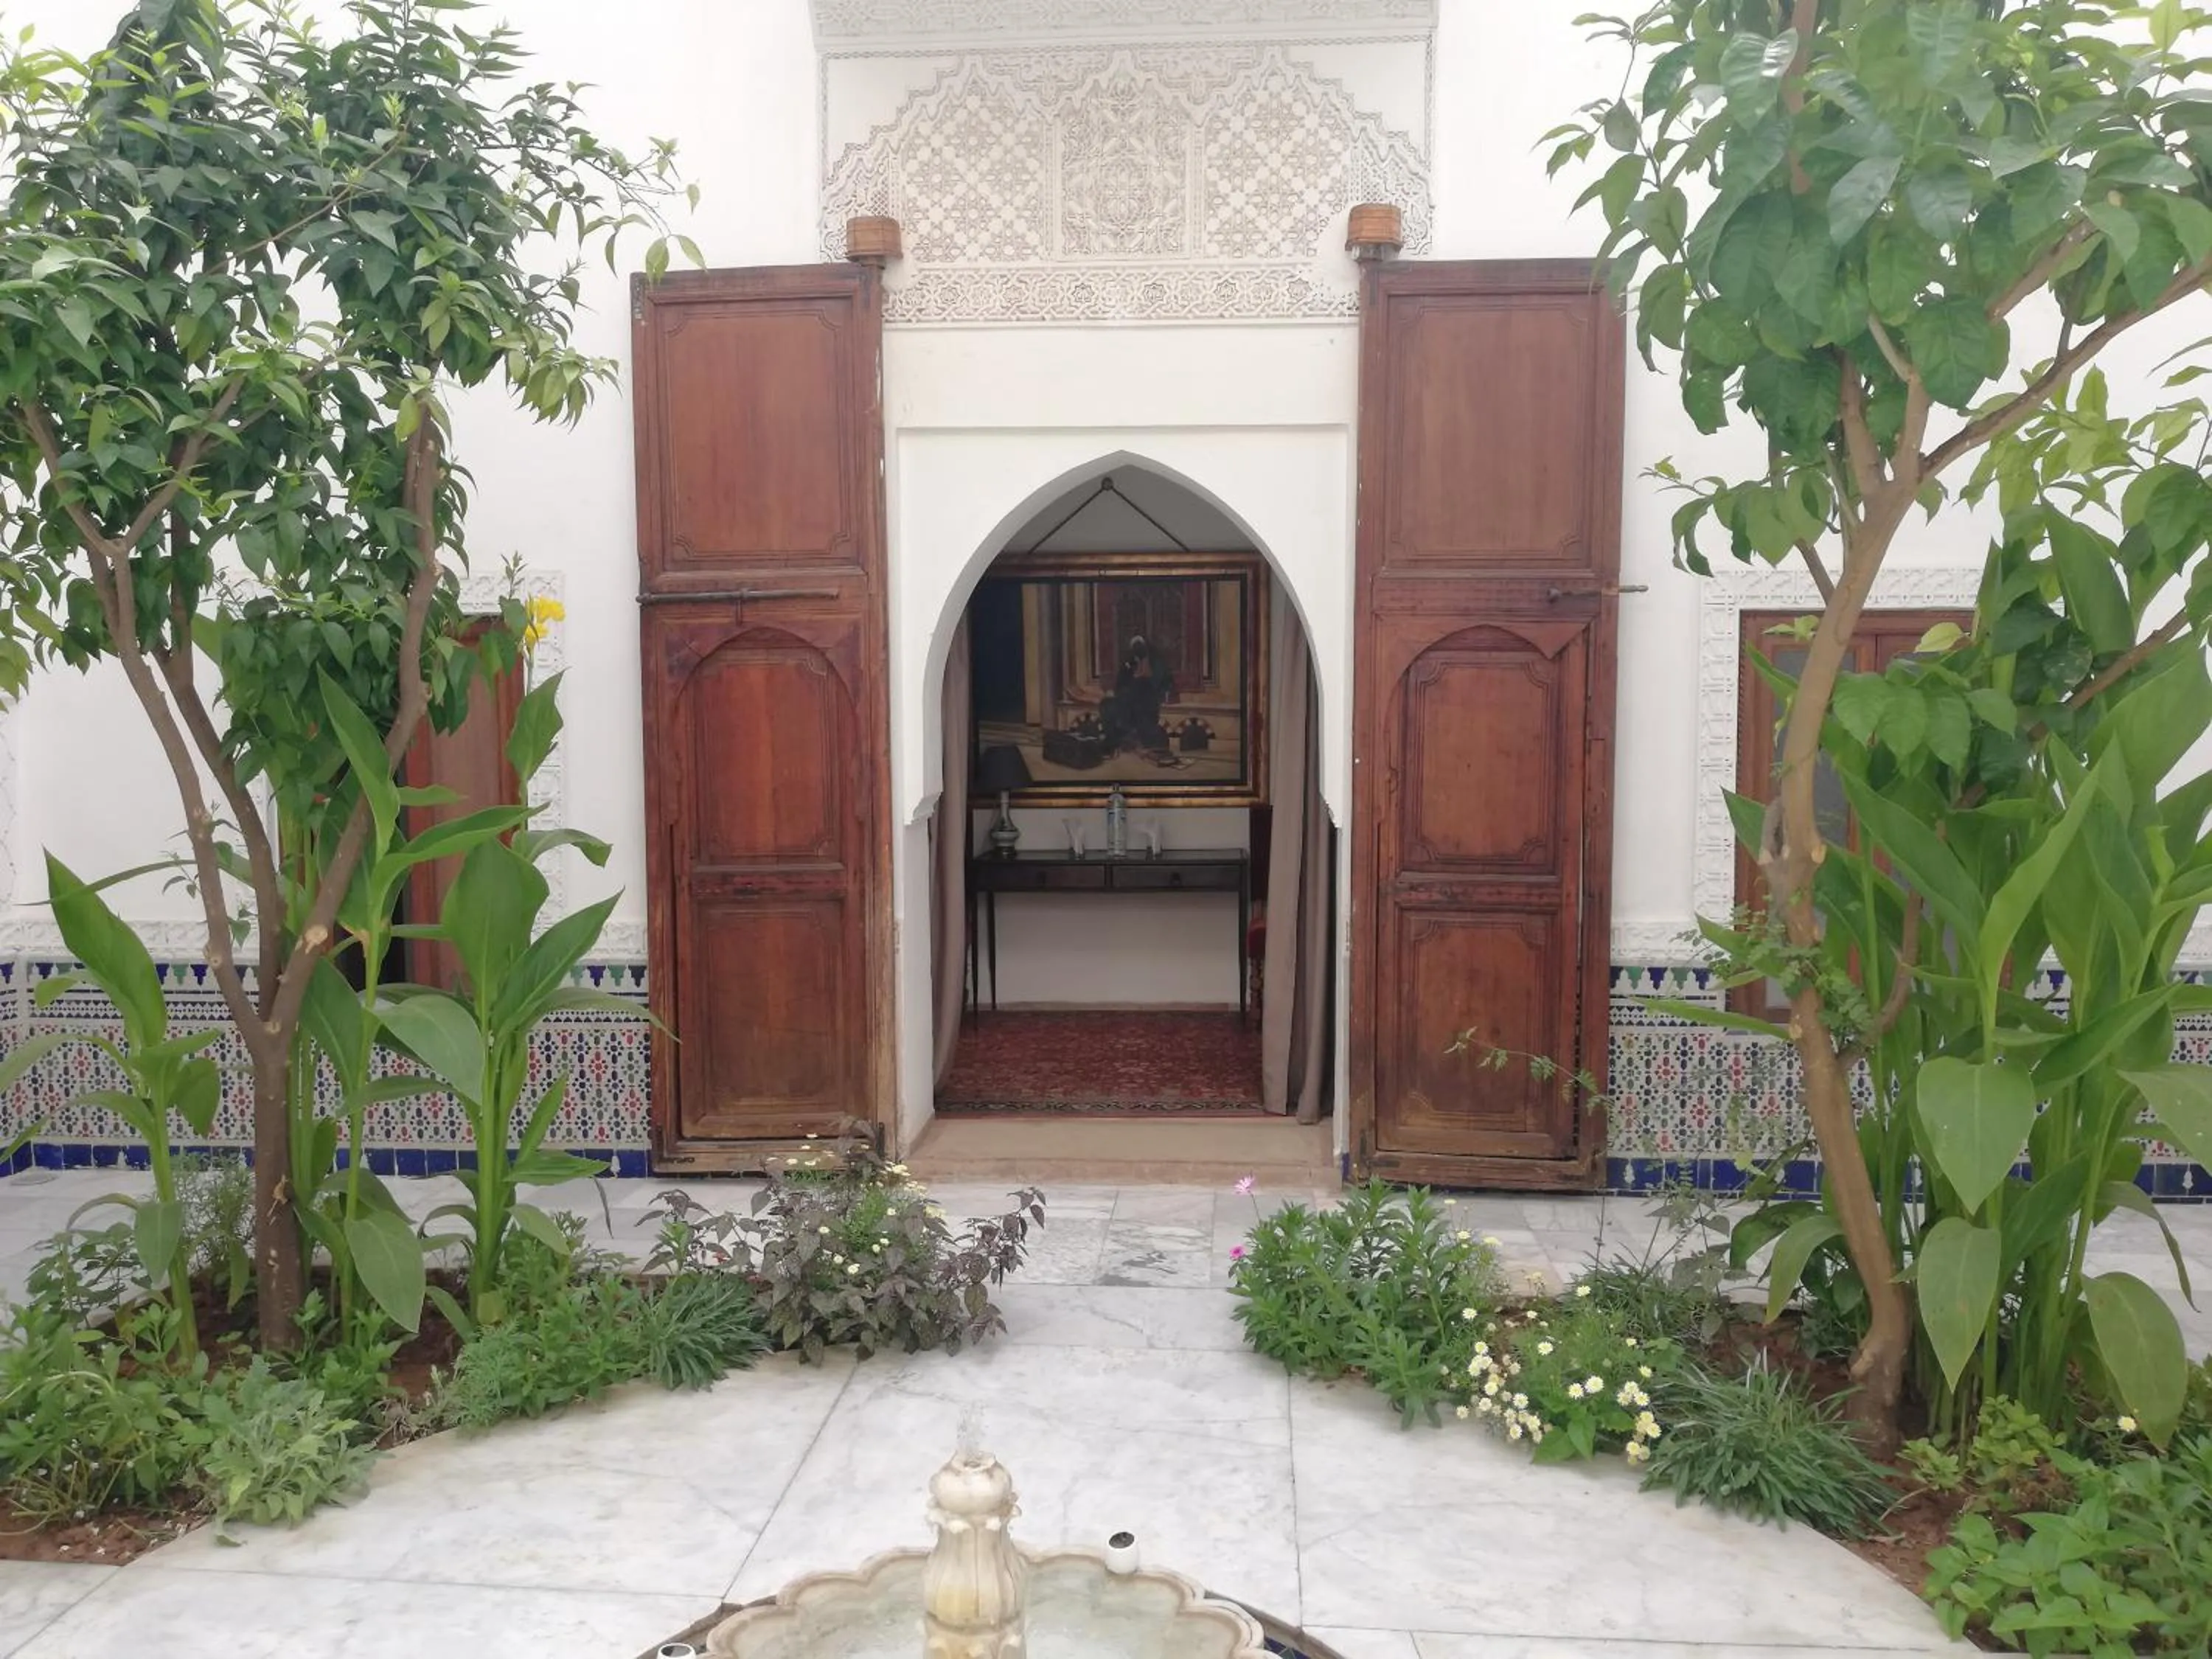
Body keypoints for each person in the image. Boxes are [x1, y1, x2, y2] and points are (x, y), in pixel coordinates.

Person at [1100, 634, 1172, 752]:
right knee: (1108, 705)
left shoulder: (1155, 662)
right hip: (1130, 697)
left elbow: (1153, 679)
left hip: (1147, 699)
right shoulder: (1129, 663)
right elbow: (1122, 681)